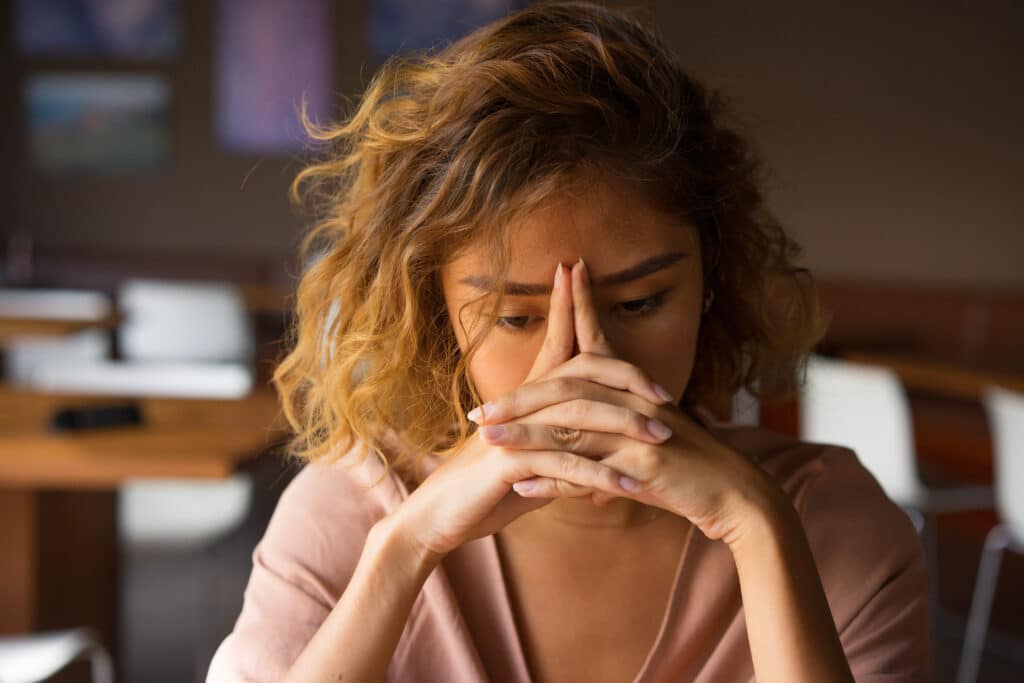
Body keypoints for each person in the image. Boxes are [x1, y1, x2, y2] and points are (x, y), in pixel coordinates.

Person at [207, 2, 929, 681]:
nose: (584, 365)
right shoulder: (351, 514)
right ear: (438, 317)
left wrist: (757, 528)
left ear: (713, 279)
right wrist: (404, 551)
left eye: (642, 301)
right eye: (516, 317)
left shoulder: (833, 525)